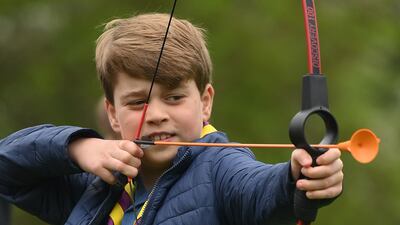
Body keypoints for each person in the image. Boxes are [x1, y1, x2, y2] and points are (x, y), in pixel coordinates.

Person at [0, 13, 343, 225]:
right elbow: (7, 169)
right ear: (112, 114)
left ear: (205, 102)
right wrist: (78, 148)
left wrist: (300, 178)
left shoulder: (221, 168)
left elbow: (262, 191)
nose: (157, 115)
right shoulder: (96, 186)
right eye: (137, 102)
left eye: (174, 97)